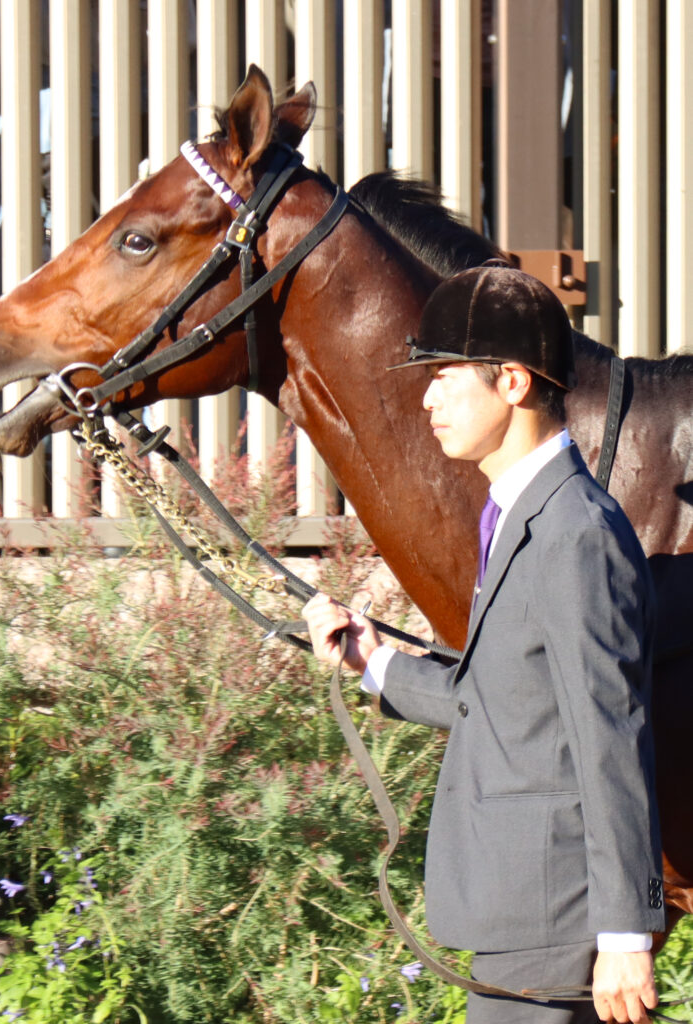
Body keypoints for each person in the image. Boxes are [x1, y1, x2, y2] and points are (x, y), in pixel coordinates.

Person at [303, 267, 665, 1024]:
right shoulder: (518, 515)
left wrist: (626, 933)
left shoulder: (573, 534)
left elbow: (610, 733)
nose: (426, 397)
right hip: (516, 912)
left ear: (509, 383)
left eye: (443, 375)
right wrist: (370, 662)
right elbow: (502, 701)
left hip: (557, 917)